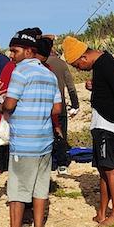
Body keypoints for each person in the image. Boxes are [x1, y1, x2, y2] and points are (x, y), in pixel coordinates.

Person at [0, 29, 62, 227]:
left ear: (28, 51)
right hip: (45, 139)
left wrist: (1, 103)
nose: (11, 55)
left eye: (14, 50)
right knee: (40, 188)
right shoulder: (49, 74)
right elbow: (57, 108)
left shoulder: (20, 72)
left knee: (17, 190)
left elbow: (10, 105)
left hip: (24, 140)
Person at [64, 35, 114, 227]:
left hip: (108, 124)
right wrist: (95, 87)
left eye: (77, 65)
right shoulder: (102, 65)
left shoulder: (107, 65)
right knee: (103, 170)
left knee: (110, 169)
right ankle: (102, 211)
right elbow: (110, 89)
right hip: (103, 123)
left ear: (84, 57)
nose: (79, 69)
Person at [38, 34, 78, 173]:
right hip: (59, 106)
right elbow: (71, 86)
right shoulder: (61, 64)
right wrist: (75, 105)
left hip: (44, 108)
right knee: (61, 136)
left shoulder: (40, 65)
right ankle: (62, 164)